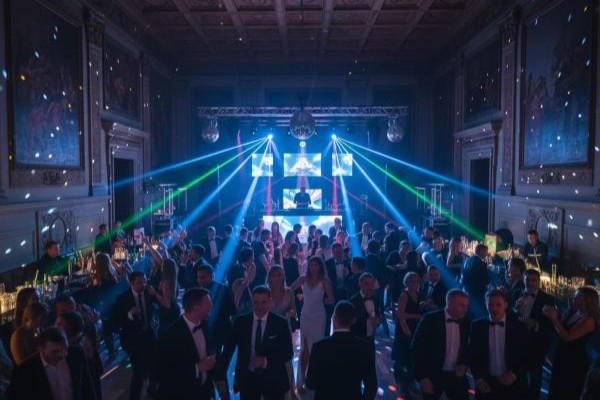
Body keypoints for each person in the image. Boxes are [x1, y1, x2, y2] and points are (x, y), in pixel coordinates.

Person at [216, 286, 294, 400]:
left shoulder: (280, 323)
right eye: (256, 302)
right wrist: (220, 379)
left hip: (274, 379)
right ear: (252, 301)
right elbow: (227, 351)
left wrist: (265, 361)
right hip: (248, 379)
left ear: (269, 301)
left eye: (263, 302)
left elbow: (288, 353)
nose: (259, 307)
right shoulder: (241, 322)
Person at [305, 301, 377, 400]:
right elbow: (371, 387)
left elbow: (310, 384)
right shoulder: (365, 347)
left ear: (334, 318)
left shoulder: (319, 347)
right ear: (353, 321)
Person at [468, 289, 530, 399]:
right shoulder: (477, 326)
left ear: (506, 305)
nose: (494, 308)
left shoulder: (518, 327)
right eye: (490, 304)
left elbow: (527, 355)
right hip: (486, 383)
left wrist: (514, 374)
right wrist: (479, 379)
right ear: (486, 305)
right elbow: (473, 355)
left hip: (513, 383)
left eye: (498, 305)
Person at [157, 288, 217, 400]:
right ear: (196, 308)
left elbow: (211, 352)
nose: (212, 306)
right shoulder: (170, 336)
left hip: (205, 392)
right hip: (183, 394)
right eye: (208, 303)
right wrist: (197, 368)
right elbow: (166, 373)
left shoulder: (205, 325)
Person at [411, 289, 471, 400]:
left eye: (466, 306)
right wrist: (423, 376)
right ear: (450, 303)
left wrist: (464, 364)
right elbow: (416, 348)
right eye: (462, 306)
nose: (465, 310)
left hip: (456, 376)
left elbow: (467, 348)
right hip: (433, 374)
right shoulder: (430, 320)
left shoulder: (465, 322)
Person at [7, 326, 96, 400]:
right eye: (55, 351)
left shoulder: (76, 354)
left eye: (65, 349)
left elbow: (87, 387)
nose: (63, 355)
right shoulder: (26, 370)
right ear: (42, 348)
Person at [543, 286, 600, 400]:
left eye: (577, 297)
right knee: (556, 387)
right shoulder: (575, 312)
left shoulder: (589, 320)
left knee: (567, 390)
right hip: (563, 354)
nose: (573, 298)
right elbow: (560, 328)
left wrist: (554, 319)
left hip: (574, 360)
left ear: (586, 300)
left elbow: (568, 336)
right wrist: (554, 315)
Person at [512, 268, 555, 400]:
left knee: (535, 375)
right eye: (527, 280)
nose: (530, 283)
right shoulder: (515, 293)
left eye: (533, 280)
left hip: (537, 342)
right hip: (517, 340)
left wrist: (535, 325)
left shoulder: (548, 299)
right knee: (517, 372)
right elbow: (507, 315)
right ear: (523, 280)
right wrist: (515, 309)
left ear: (538, 281)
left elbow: (551, 325)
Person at [114, 271, 156, 400]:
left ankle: (152, 391)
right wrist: (130, 315)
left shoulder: (150, 294)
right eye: (140, 282)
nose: (143, 285)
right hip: (133, 340)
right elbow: (116, 321)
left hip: (149, 335)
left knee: (153, 366)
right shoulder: (122, 299)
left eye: (145, 281)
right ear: (132, 283)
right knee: (138, 371)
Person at [298, 256, 335, 388]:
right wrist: (295, 299)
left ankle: (314, 378)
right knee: (304, 347)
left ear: (320, 266)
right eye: (311, 265)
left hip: (319, 315)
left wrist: (324, 300)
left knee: (316, 345)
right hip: (305, 314)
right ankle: (302, 379)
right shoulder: (303, 279)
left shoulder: (324, 280)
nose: (313, 267)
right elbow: (289, 288)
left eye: (316, 265)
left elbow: (332, 299)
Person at [392, 272, 422, 391]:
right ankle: (402, 382)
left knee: (411, 355)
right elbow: (400, 315)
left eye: (417, 281)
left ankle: (410, 380)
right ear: (407, 282)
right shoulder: (404, 295)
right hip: (404, 328)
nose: (415, 284)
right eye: (412, 281)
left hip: (414, 327)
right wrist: (415, 316)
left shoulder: (417, 294)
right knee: (402, 355)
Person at [196, 264, 235, 352]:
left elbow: (232, 310)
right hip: (204, 331)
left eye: (203, 277)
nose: (199, 280)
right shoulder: (197, 291)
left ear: (211, 276)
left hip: (219, 330)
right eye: (198, 277)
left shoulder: (223, 290)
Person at [148, 258, 180, 336]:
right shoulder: (173, 278)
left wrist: (154, 293)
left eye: (162, 265)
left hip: (169, 313)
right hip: (173, 310)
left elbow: (167, 303)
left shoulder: (166, 282)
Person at [349, 273, 381, 344]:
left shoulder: (375, 300)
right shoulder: (353, 301)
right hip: (357, 339)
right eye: (366, 284)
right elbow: (350, 322)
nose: (370, 287)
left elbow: (378, 315)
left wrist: (377, 320)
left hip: (371, 339)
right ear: (360, 284)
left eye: (372, 284)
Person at [461, 244, 489, 319]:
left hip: (467, 290)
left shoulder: (467, 260)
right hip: (477, 292)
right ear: (481, 251)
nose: (487, 254)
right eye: (486, 251)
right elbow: (486, 280)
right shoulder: (480, 263)